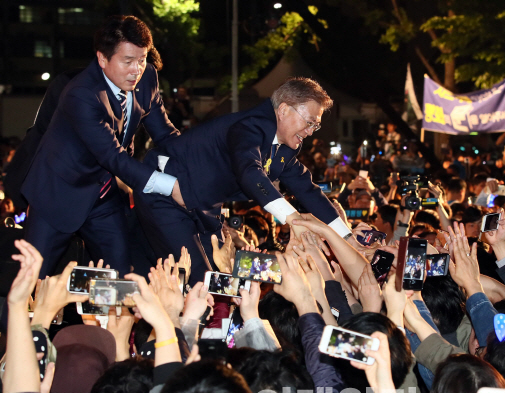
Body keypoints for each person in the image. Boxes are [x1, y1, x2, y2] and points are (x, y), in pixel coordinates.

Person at [134, 77, 352, 285]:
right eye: (309, 122)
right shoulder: (251, 126)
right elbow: (250, 172)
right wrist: (293, 219)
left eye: (316, 126)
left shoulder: (284, 146)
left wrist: (349, 240)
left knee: (229, 269)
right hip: (167, 196)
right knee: (203, 280)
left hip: (204, 206)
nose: (311, 132)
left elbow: (307, 189)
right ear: (284, 109)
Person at [21, 15, 181, 277]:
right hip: (58, 193)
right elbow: (113, 156)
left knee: (118, 276)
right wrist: (170, 186)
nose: (136, 69)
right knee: (31, 279)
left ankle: (113, 319)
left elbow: (165, 133)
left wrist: (194, 164)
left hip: (104, 195)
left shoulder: (148, 77)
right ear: (102, 59)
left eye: (141, 59)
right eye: (128, 61)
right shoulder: (81, 93)